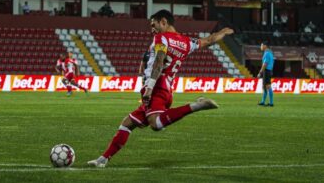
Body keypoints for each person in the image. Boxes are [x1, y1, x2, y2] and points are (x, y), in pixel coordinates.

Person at [87, 10, 234, 168]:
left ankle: (197, 105)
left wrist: (149, 88)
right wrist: (222, 32)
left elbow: (159, 61)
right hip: (166, 87)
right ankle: (103, 160)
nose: (152, 28)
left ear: (163, 21)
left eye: (154, 24)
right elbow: (208, 40)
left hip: (157, 86)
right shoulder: (186, 41)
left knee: (156, 124)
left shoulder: (161, 38)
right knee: (127, 123)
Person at [257, 42, 275, 107]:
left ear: (265, 46)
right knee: (265, 87)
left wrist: (260, 72)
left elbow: (265, 64)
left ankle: (271, 103)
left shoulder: (267, 53)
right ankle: (263, 102)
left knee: (268, 86)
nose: (260, 46)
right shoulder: (270, 53)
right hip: (268, 71)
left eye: (261, 45)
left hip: (267, 71)